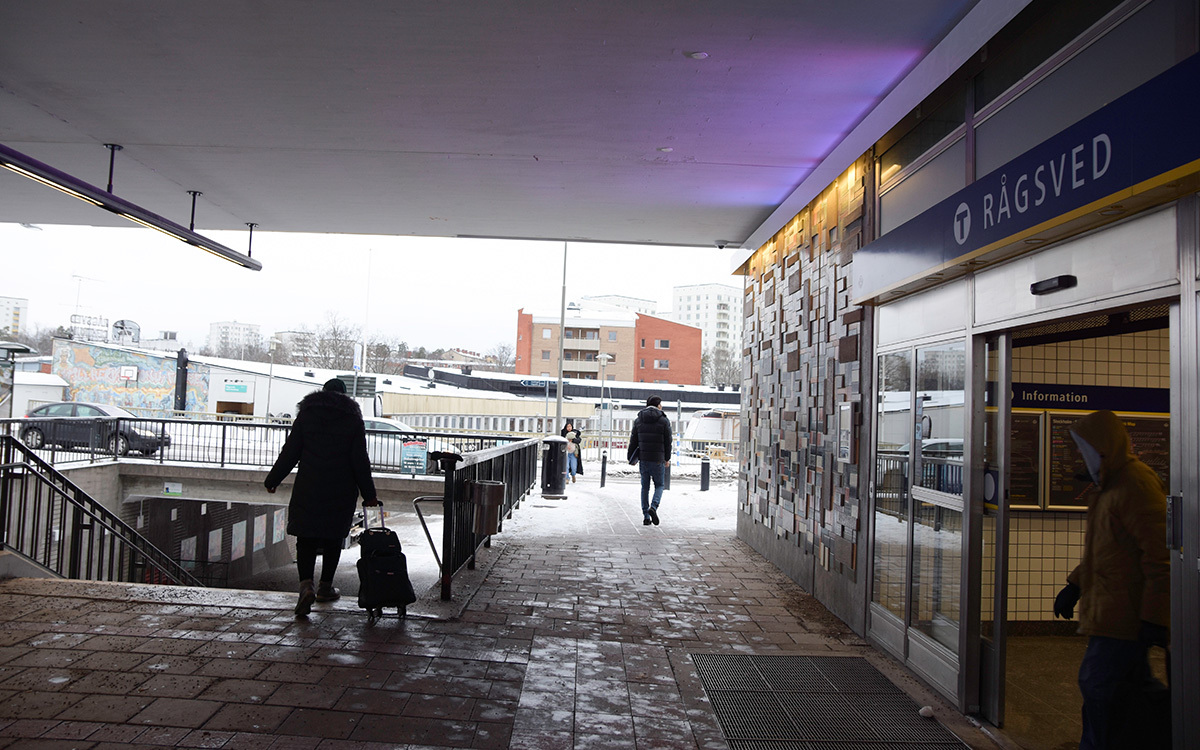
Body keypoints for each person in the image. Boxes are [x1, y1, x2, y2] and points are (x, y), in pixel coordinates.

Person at [1051, 409, 1169, 749]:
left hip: (1126, 616)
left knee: (1100, 687)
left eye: (1081, 449)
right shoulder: (1111, 486)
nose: (1077, 456)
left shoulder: (1136, 484)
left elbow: (1160, 558)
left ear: (1101, 448)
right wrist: (1075, 584)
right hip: (1112, 613)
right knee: (1116, 690)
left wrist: (1154, 618)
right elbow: (1105, 553)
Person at [265, 378, 378, 617]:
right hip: (340, 489)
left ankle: (306, 585)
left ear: (322, 393)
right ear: (345, 397)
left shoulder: (307, 416)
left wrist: (273, 480)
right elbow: (360, 460)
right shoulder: (352, 420)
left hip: (310, 486)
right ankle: (326, 587)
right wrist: (369, 495)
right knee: (333, 538)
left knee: (305, 538)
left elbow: (290, 452)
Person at [627, 395, 671, 526]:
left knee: (644, 487)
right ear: (658, 405)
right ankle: (654, 506)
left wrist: (630, 457)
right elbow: (668, 441)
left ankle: (646, 516)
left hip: (644, 459)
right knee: (660, 485)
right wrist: (667, 458)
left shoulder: (639, 420)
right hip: (658, 459)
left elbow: (633, 440)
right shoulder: (664, 420)